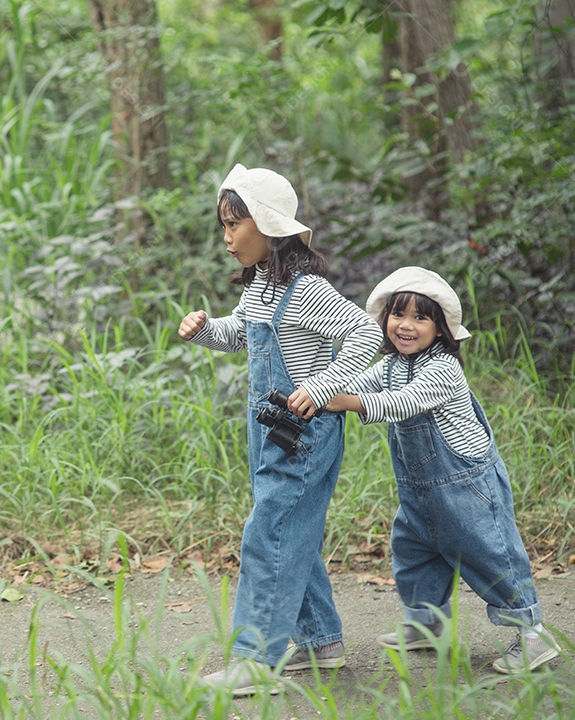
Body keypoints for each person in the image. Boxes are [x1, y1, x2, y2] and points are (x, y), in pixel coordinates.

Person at [179, 164, 382, 696]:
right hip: (269, 429)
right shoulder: (264, 286)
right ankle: (320, 642)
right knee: (292, 530)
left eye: (234, 225)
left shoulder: (307, 288)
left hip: (303, 433)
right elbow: (239, 335)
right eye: (222, 226)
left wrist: (323, 385)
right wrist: (205, 331)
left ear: (267, 226)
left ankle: (253, 659)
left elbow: (365, 332)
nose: (226, 237)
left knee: (268, 532)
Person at [327, 266, 561, 674]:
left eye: (421, 317)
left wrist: (348, 403)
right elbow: (363, 383)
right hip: (420, 491)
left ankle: (532, 632)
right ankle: (427, 623)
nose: (406, 325)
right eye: (398, 315)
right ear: (384, 320)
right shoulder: (392, 366)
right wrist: (328, 386)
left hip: (466, 486)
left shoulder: (443, 370)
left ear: (441, 330)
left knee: (490, 555)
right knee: (413, 552)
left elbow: (403, 402)